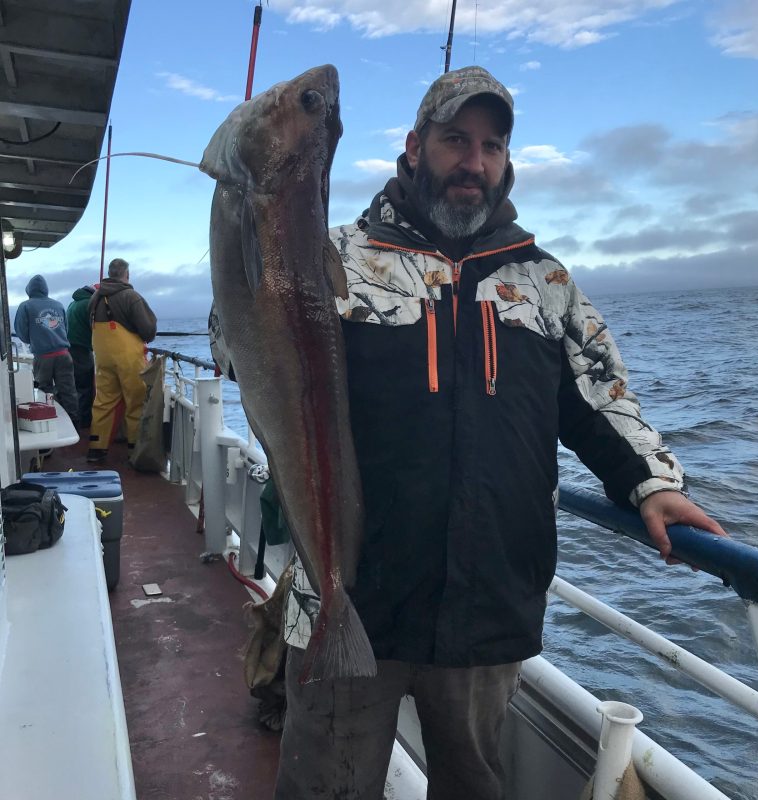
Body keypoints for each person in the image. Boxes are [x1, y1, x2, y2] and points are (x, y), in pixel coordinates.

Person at [272, 66, 728, 800]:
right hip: (342, 600)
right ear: (415, 147)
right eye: (456, 140)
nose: (473, 162)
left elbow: (600, 395)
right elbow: (246, 351)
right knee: (321, 786)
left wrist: (652, 483)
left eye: (490, 145)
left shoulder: (544, 283)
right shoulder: (334, 260)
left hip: (487, 612)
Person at [87, 258, 157, 463]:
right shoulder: (131, 296)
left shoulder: (95, 297)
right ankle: (134, 448)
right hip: (127, 358)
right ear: (127, 275)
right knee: (136, 400)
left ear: (110, 273)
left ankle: (96, 448)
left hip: (102, 357)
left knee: (103, 401)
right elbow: (148, 330)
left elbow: (88, 322)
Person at [13, 274, 80, 427]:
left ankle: (49, 422)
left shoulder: (26, 306)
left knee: (45, 392)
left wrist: (34, 340)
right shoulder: (58, 305)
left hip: (43, 357)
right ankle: (74, 423)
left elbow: (22, 332)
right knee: (69, 390)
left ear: (29, 290)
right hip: (64, 354)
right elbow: (66, 329)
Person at [66, 283, 96, 428]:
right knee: (85, 386)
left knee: (74, 384)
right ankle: (84, 420)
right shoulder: (88, 304)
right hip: (82, 350)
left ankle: (72, 418)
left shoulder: (72, 304)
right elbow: (94, 326)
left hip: (68, 349)